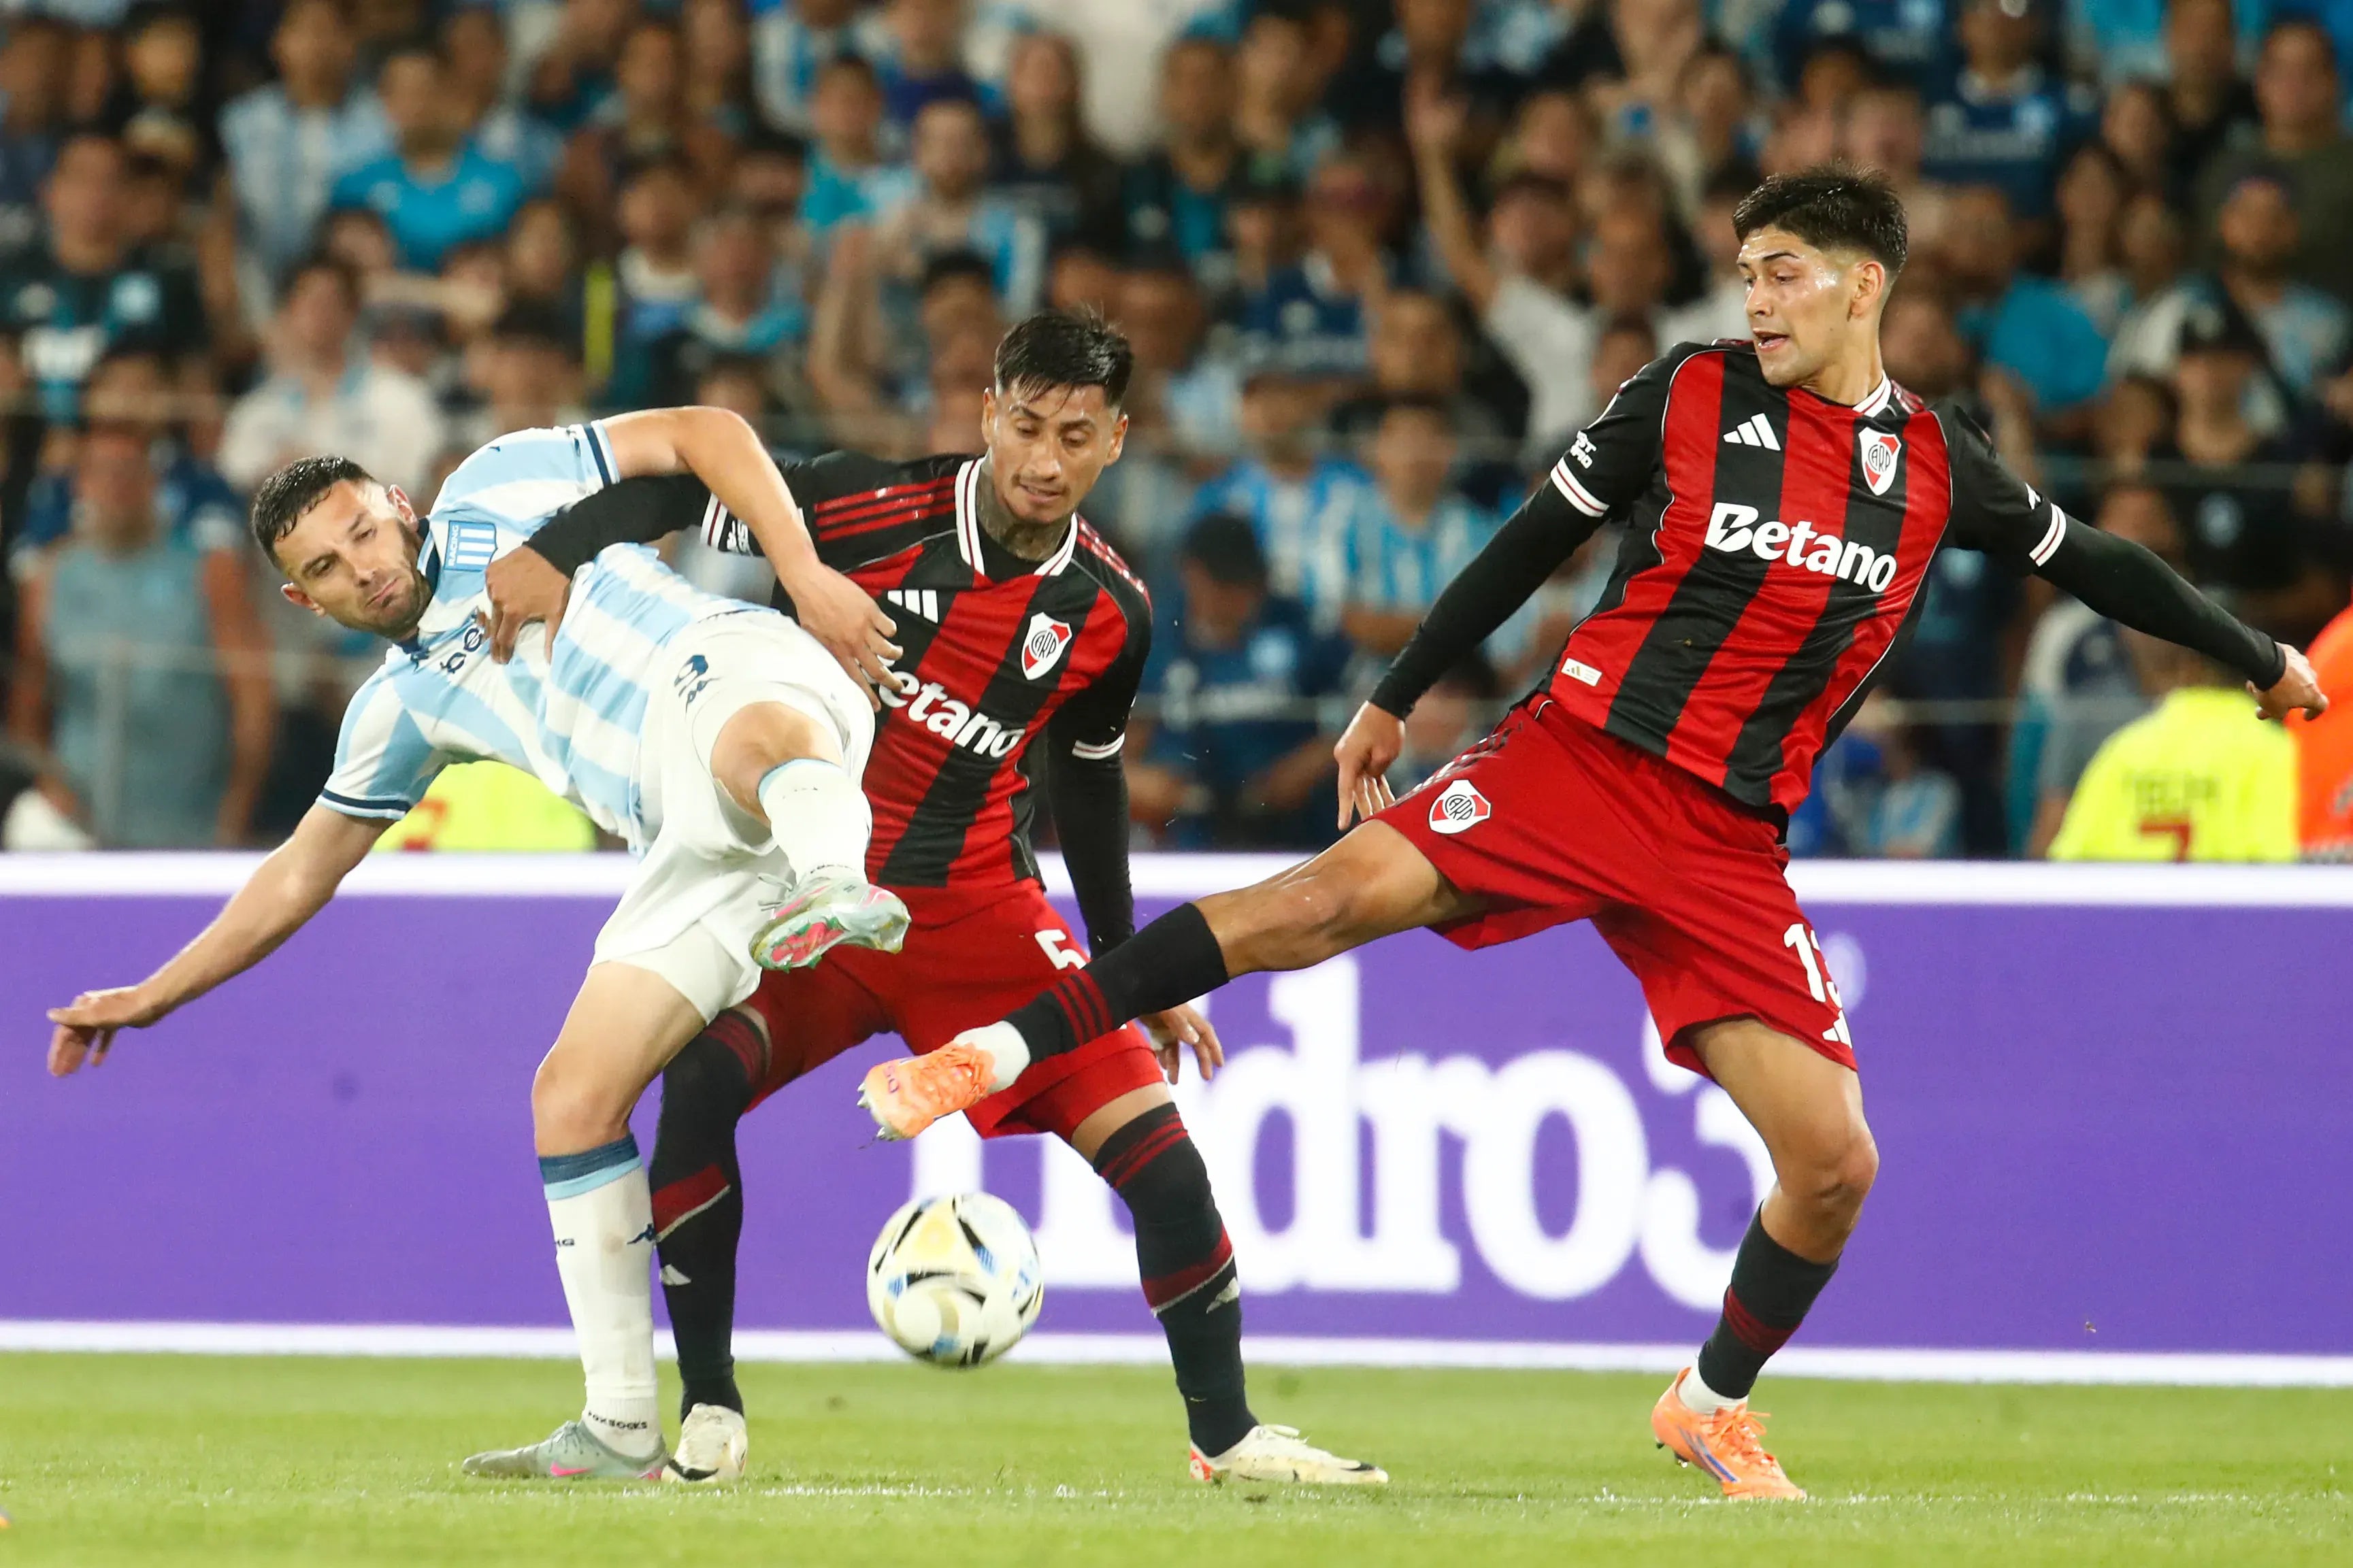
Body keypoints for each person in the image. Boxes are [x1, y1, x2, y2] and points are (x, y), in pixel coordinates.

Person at [856, 168, 2326, 1500]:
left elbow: (2105, 564)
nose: (1756, 296)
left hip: (1727, 843)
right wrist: (1396, 696)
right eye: (1746, 269)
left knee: (1833, 1164)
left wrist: (2258, 657)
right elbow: (1531, 543)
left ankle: (1709, 1401)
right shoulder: (1683, 397)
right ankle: (998, 1050)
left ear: (1866, 284)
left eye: (1786, 271)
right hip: (1578, 759)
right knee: (1318, 903)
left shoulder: (1936, 465)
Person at [478, 311, 1385, 1488]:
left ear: (1116, 442)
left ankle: (1228, 1436)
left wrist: (1126, 970)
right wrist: (561, 548)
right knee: (697, 1088)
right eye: (1024, 426)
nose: (1043, 460)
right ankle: (709, 1412)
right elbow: (678, 490)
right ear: (985, 414)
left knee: (1164, 1166)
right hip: (831, 904)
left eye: (1074, 435)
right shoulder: (865, 508)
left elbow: (1089, 775)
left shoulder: (1112, 609)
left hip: (985, 918)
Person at [45, 406, 906, 1484]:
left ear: (398, 507)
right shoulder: (398, 708)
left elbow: (707, 431)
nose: (359, 568)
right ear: (300, 599)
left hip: (749, 677)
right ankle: (621, 1424)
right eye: (325, 565)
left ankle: (838, 873)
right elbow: (300, 872)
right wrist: (153, 994)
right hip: (693, 841)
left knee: (732, 731)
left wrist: (805, 572)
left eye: (362, 531)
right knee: (571, 1097)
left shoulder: (497, 484)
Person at [8, 422, 272, 848]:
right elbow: (29, 701)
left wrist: (237, 809)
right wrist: (46, 780)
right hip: (79, 826)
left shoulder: (210, 572)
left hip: (190, 823)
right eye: (101, 472)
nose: (116, 485)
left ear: (153, 481)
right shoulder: (50, 578)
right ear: (80, 485)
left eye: (129, 471)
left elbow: (254, 703)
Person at [2047, 636, 2300, 862]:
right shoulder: (2271, 751)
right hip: (2218, 913)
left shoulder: (2124, 749)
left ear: (2187, 666)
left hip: (2132, 913)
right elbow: (2277, 865)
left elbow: (2070, 862)